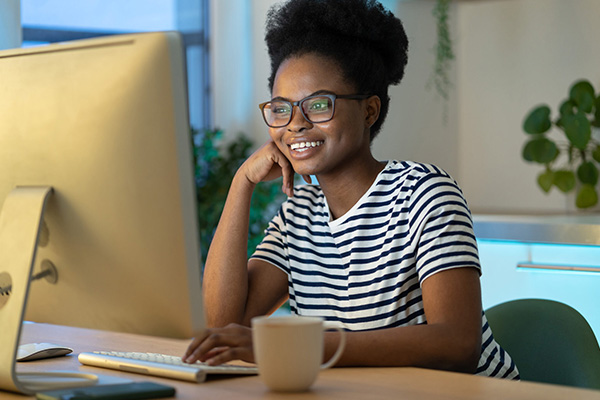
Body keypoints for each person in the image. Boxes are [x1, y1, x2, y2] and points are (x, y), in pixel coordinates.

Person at [184, 0, 519, 379]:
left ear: (369, 111)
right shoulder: (298, 213)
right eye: (282, 108)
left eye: (318, 105)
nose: (295, 124)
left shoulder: (424, 193)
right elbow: (227, 324)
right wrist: (241, 183)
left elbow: (457, 345)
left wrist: (307, 347)